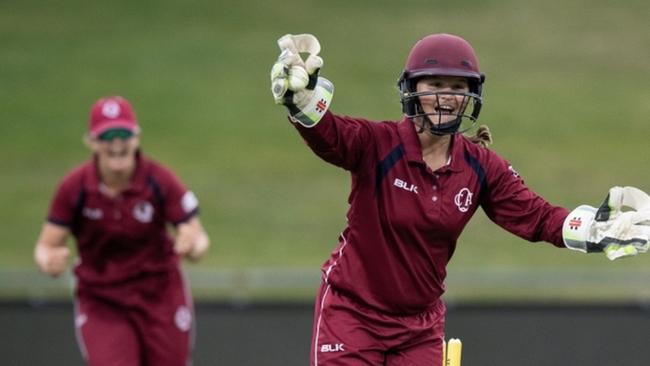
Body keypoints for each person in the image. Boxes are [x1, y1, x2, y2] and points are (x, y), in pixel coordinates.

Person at [270, 33, 650, 365]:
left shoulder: (480, 165)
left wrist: (594, 230)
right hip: (352, 312)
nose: (446, 96)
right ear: (412, 89)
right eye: (434, 83)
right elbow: (331, 136)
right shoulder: (378, 144)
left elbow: (535, 216)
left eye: (457, 86)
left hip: (418, 328)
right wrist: (300, 102)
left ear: (471, 94)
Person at [34, 96, 210, 366]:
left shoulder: (159, 180)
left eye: (123, 134)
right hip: (102, 300)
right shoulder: (75, 187)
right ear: (92, 142)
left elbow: (197, 238)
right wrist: (49, 261)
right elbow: (46, 245)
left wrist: (192, 243)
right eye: (108, 136)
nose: (117, 143)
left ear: (136, 138)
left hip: (160, 294)